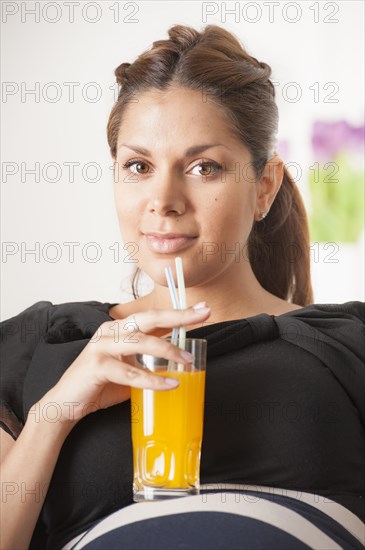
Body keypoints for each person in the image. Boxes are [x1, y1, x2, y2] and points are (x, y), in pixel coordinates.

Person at [1, 23, 364, 550]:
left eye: (203, 166)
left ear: (264, 186)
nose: (163, 199)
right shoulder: (36, 347)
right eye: (139, 166)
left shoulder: (347, 344)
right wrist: (56, 413)